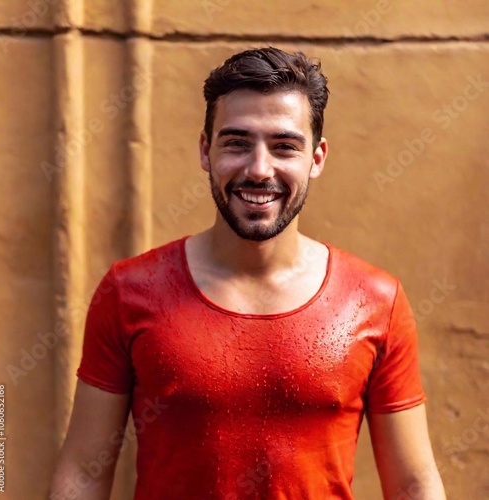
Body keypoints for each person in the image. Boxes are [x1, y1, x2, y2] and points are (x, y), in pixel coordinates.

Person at [50, 47, 446, 499]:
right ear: (206, 150)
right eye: (237, 143)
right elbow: (83, 474)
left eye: (284, 147)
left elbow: (413, 485)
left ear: (316, 158)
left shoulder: (375, 300)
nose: (259, 169)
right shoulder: (128, 291)